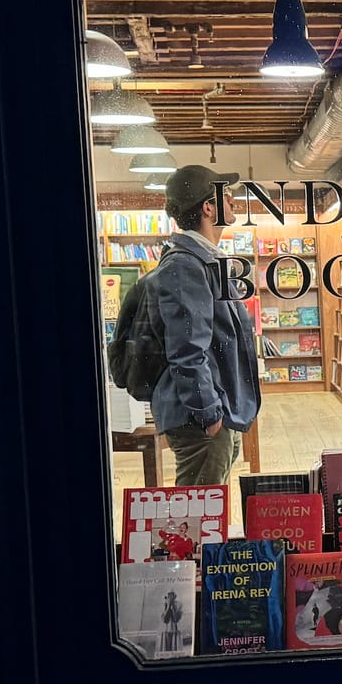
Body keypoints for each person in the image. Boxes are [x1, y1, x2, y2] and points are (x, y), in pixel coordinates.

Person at [145, 162, 259, 486]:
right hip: (201, 417)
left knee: (205, 513)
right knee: (193, 519)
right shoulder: (186, 265)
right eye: (226, 196)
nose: (233, 201)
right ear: (209, 208)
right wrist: (209, 414)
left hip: (216, 410)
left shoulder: (204, 260)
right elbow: (186, 349)